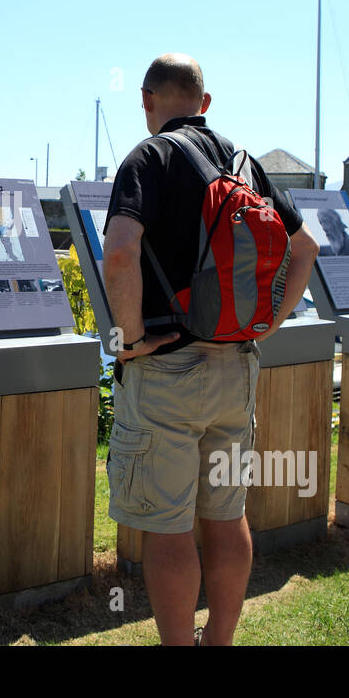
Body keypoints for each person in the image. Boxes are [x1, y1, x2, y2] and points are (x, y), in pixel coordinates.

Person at [102, 53, 320, 646]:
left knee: (168, 529)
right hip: (237, 368)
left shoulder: (147, 158)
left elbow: (119, 255)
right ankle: (218, 642)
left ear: (147, 101)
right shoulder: (244, 162)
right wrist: (269, 324)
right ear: (204, 103)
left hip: (167, 366)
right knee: (227, 518)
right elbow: (305, 249)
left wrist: (130, 341)